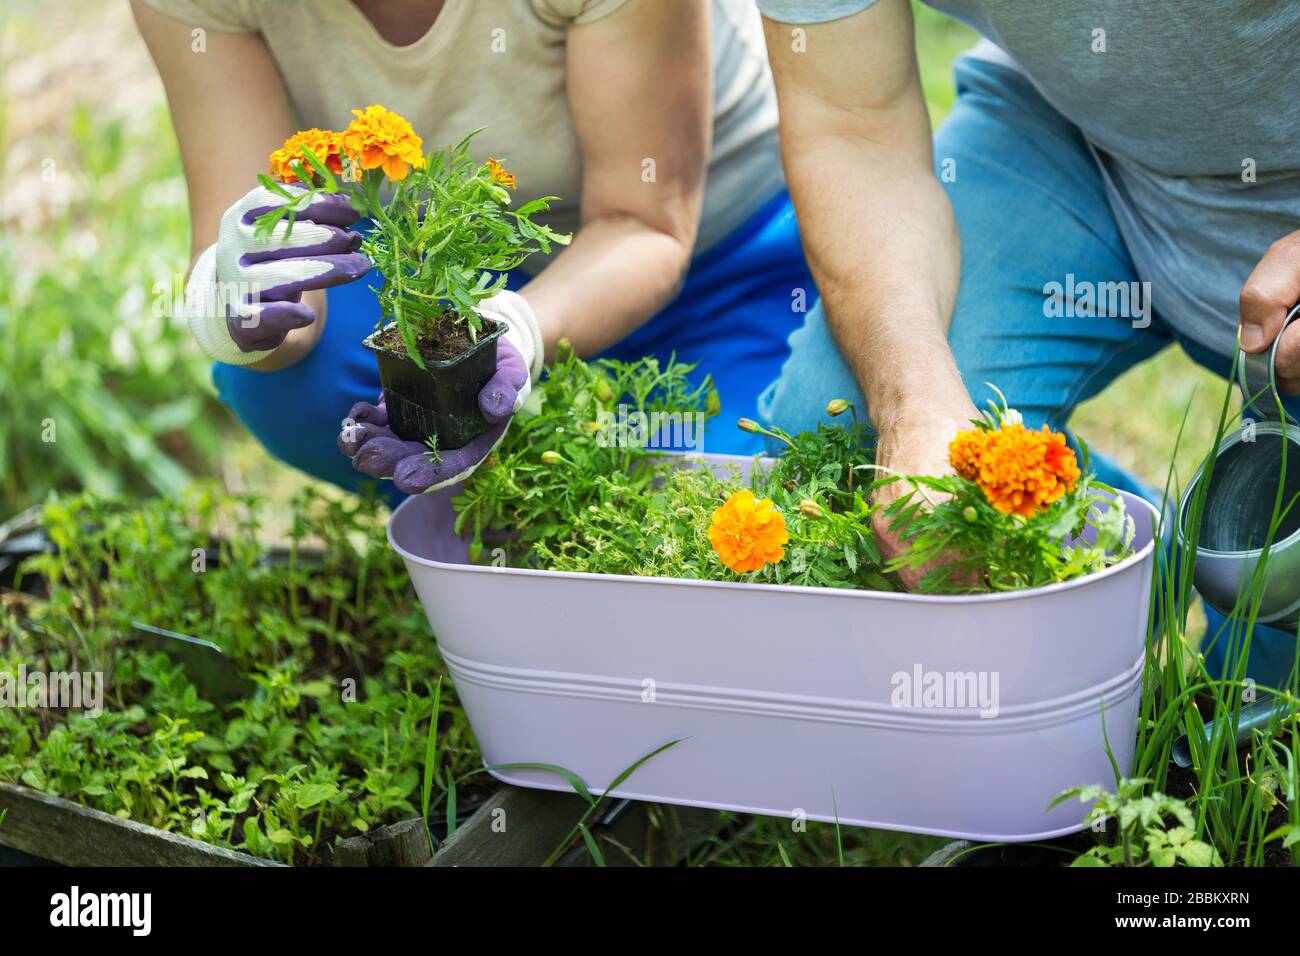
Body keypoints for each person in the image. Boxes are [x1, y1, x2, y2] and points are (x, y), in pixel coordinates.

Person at [753, 0, 1300, 685]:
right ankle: (1131, 552)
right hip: (1074, 125)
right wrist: (915, 411)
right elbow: (849, 127)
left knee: (1261, 724)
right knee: (845, 436)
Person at [133, 0, 814, 496]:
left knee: (726, 497)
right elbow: (257, 240)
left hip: (718, 272)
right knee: (286, 387)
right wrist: (243, 307)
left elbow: (644, 225)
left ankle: (535, 497)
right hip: (453, 270)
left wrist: (513, 333)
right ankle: (494, 505)